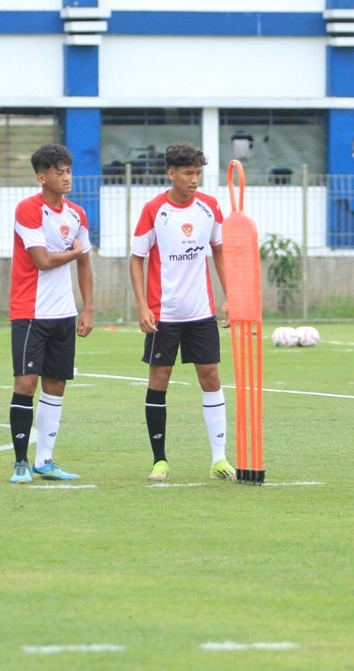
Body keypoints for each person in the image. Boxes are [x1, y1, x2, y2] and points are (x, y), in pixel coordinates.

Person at [130, 143, 236, 483]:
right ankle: (159, 461)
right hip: (164, 314)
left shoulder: (209, 207)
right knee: (159, 380)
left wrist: (230, 296)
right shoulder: (154, 210)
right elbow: (137, 259)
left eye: (198, 173)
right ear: (171, 173)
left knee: (211, 377)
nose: (194, 180)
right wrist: (142, 305)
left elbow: (219, 251)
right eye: (188, 173)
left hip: (201, 312)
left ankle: (219, 459)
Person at [7, 143, 95, 484]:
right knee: (26, 383)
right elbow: (42, 261)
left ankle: (44, 461)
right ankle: (20, 463)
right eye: (59, 172)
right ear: (41, 177)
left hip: (63, 314)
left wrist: (88, 308)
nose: (66, 177)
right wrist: (75, 252)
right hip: (30, 312)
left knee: (56, 384)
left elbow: (85, 263)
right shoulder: (29, 210)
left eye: (69, 171)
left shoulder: (77, 214)